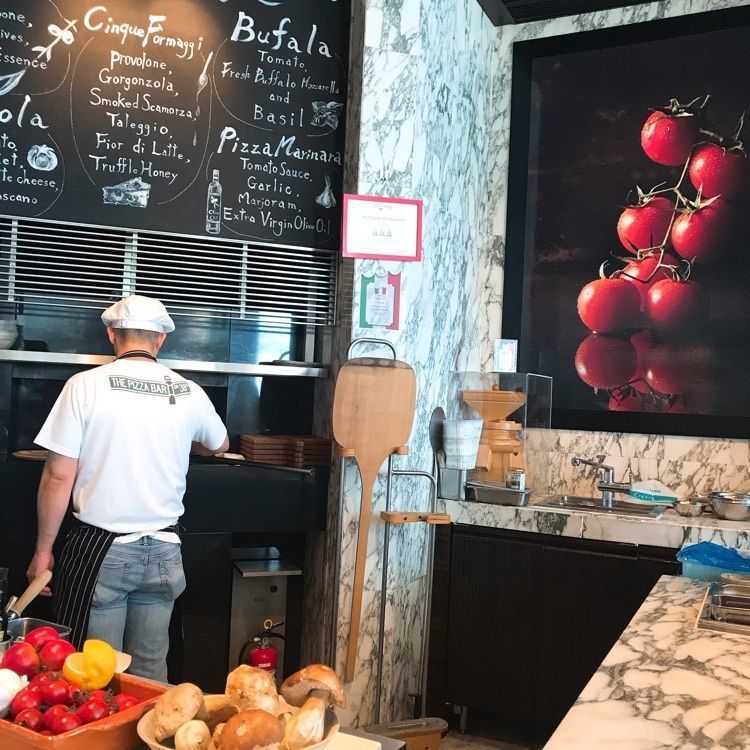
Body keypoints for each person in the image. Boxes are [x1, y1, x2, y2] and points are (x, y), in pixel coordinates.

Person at [26, 295, 229, 681]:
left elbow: (57, 475)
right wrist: (187, 434)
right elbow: (220, 444)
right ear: (161, 340)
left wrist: (43, 551)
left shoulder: (84, 385)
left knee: (97, 674)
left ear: (111, 335)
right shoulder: (188, 391)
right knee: (150, 673)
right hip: (167, 553)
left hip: (103, 554)